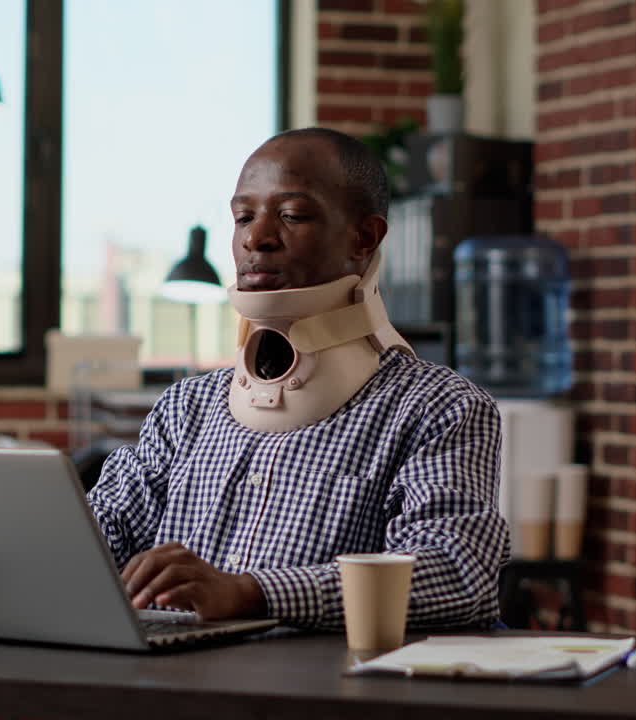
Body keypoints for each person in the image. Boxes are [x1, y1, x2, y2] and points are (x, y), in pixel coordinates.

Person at [87, 127, 509, 630]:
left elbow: (456, 573)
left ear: (363, 239)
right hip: (178, 682)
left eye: (290, 216)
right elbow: (101, 531)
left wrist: (251, 593)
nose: (255, 237)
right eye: (243, 217)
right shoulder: (186, 408)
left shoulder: (438, 409)